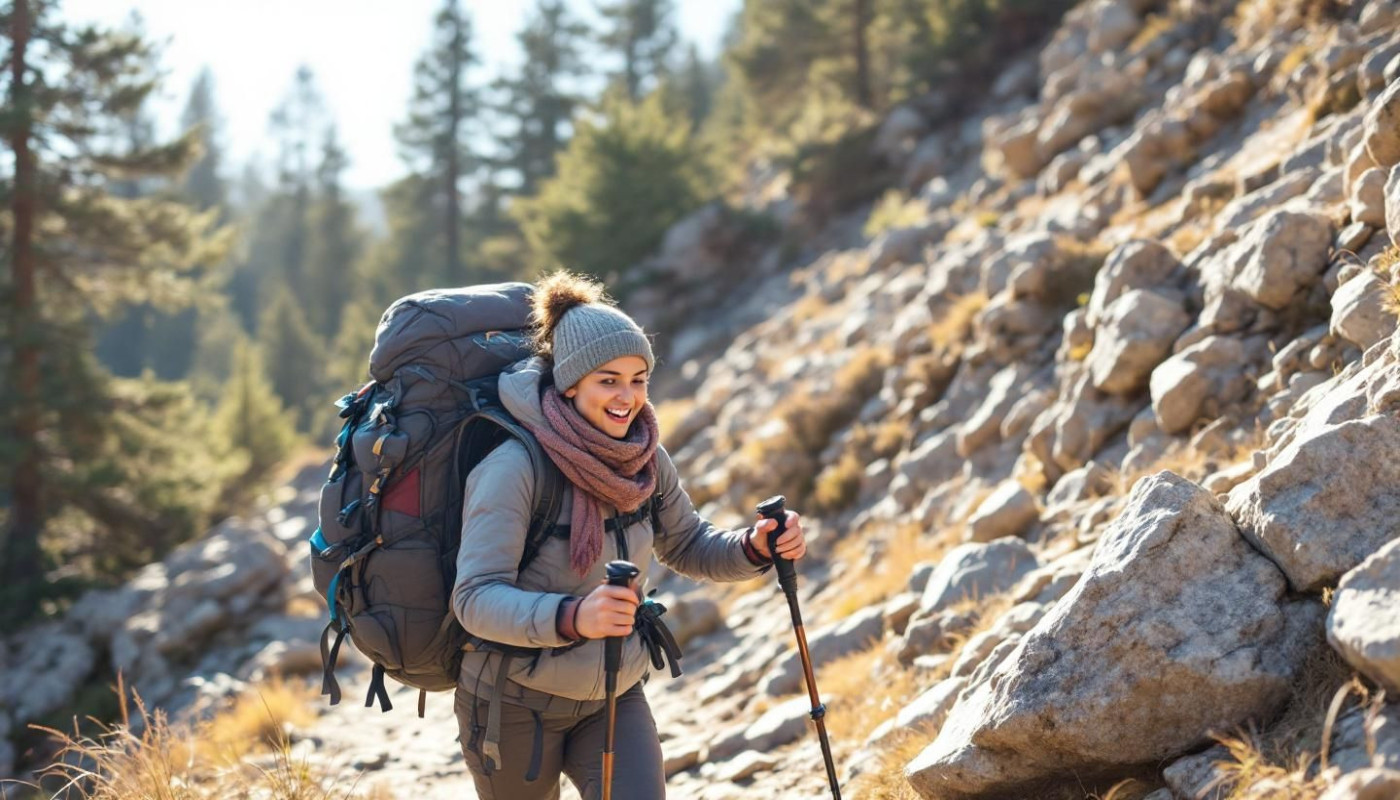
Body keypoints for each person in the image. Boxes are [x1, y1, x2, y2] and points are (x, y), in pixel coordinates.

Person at [451, 271, 808, 800]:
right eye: (608, 380)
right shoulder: (515, 468)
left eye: (638, 378)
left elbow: (687, 544)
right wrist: (573, 617)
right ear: (570, 384)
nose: (627, 397)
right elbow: (474, 598)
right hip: (512, 701)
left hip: (615, 693)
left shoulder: (644, 458)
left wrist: (755, 547)